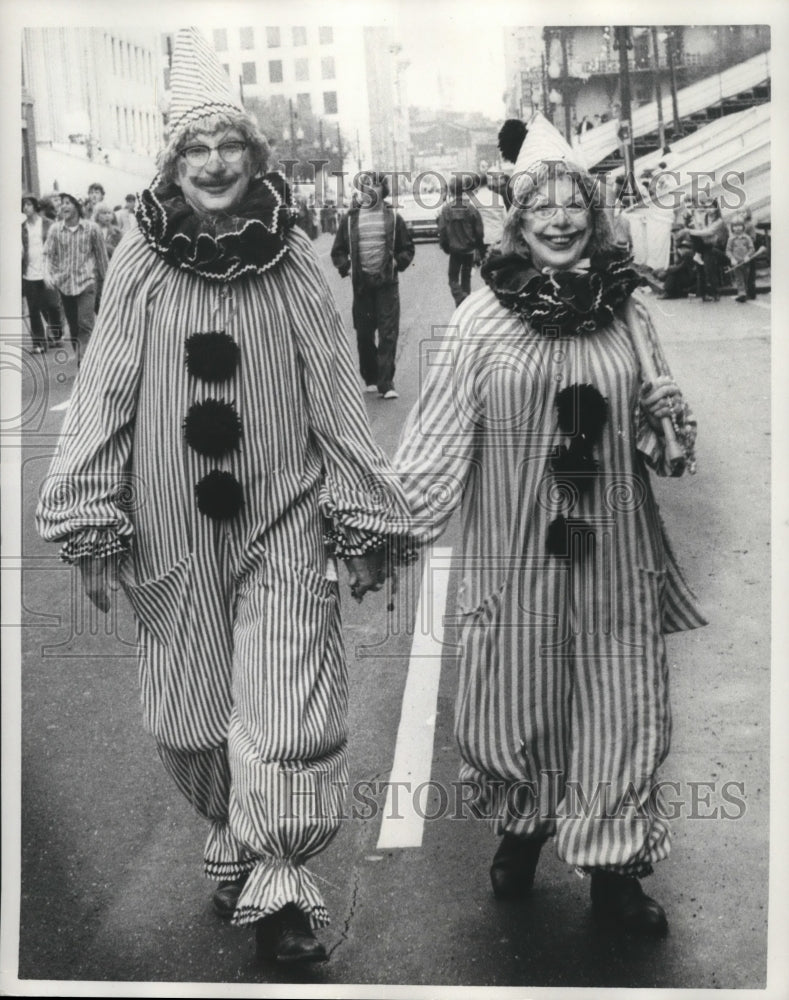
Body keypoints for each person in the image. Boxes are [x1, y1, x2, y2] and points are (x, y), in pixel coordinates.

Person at [36, 27, 411, 967]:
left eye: (228, 145)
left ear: (254, 155)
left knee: (283, 711)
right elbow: (106, 389)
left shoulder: (291, 263)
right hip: (168, 530)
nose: (212, 163)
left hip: (282, 519)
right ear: (174, 163)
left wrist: (364, 514)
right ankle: (237, 832)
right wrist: (88, 524)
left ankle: (282, 884)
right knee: (189, 719)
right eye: (194, 149)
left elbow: (332, 387)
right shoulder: (136, 262)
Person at [391, 111, 706, 938]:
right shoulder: (479, 321)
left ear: (593, 215)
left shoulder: (626, 312)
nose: (560, 220)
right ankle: (523, 825)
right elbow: (433, 439)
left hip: (611, 548)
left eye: (575, 205)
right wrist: (382, 530)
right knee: (515, 701)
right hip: (513, 546)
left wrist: (663, 422)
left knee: (620, 699)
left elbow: (659, 431)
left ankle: (614, 867)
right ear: (517, 220)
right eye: (543, 207)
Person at [331, 171, 414, 399]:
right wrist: (346, 267)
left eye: (374, 186)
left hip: (386, 283)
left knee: (388, 333)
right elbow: (338, 251)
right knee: (364, 334)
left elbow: (407, 247)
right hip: (362, 285)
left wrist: (399, 261)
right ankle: (371, 377)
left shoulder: (393, 218)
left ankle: (386, 383)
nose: (370, 190)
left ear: (382, 190)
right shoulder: (350, 219)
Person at [42, 191, 108, 361]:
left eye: (68, 202)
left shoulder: (92, 229)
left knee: (85, 325)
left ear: (77, 207)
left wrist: (108, 283)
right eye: (62, 203)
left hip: (87, 283)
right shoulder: (55, 230)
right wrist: (48, 274)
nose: (64, 205)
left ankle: (85, 365)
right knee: (73, 328)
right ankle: (83, 358)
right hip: (65, 285)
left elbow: (102, 258)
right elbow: (48, 255)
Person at [21, 194, 62, 352]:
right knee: (33, 309)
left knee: (53, 305)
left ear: (35, 206)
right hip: (29, 272)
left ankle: (57, 334)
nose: (26, 208)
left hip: (47, 270)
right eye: (24, 205)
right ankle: (38, 343)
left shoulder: (48, 224)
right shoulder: (22, 227)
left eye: (29, 204)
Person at [437, 174, 485, 306]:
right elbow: (479, 231)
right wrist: (477, 247)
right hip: (469, 250)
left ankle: (460, 299)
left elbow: (442, 231)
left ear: (451, 191)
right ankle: (464, 303)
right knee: (466, 279)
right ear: (462, 189)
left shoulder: (446, 209)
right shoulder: (471, 208)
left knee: (453, 279)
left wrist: (446, 247)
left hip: (455, 251)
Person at [678, 194, 728, 302]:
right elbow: (693, 219)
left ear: (716, 208)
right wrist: (689, 220)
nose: (709, 210)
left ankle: (715, 293)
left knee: (709, 269)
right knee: (700, 271)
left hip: (708, 246)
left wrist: (691, 231)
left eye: (712, 207)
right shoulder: (702, 214)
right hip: (699, 244)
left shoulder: (719, 221)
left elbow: (708, 232)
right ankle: (704, 295)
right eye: (707, 207)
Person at [469, 166, 507, 258]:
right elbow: (505, 218)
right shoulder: (498, 197)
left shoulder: (473, 201)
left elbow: (471, 222)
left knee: (484, 264)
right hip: (498, 236)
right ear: (487, 183)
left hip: (482, 238)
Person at [725, 215, 757, 303]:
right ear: (732, 228)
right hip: (736, 263)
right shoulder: (731, 239)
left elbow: (752, 249)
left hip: (746, 262)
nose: (737, 228)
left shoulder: (747, 238)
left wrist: (748, 256)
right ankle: (741, 294)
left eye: (739, 226)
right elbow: (728, 250)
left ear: (743, 227)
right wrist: (732, 259)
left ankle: (745, 292)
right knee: (739, 279)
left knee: (746, 278)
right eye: (735, 226)